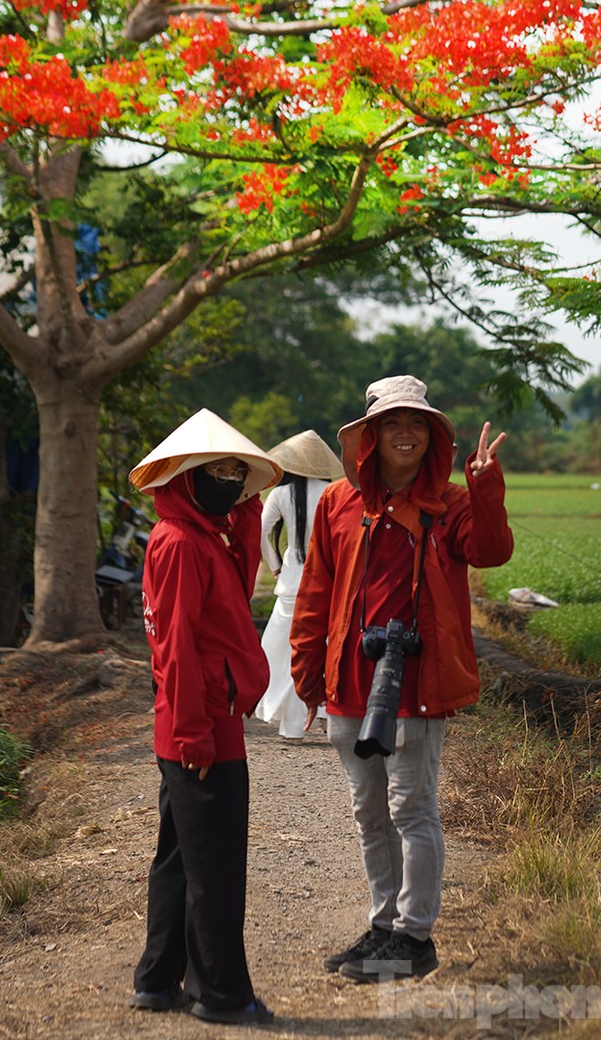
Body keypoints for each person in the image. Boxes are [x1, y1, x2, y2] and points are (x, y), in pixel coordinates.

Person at [290, 375, 511, 983]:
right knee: (370, 812)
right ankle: (383, 924)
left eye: (417, 423)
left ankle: (415, 937)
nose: (406, 433)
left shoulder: (453, 503)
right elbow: (316, 592)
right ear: (371, 436)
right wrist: (309, 672)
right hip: (350, 684)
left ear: (432, 435)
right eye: (393, 423)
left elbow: (492, 551)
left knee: (411, 808)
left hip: (416, 684)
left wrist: (486, 484)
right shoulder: (339, 502)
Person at [126, 409, 284, 1026]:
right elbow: (175, 647)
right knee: (215, 866)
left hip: (198, 721)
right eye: (214, 472)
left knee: (178, 856)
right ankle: (220, 993)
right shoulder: (181, 545)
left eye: (233, 473)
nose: (225, 481)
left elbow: (237, 588)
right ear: (185, 478)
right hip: (201, 727)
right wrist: (193, 730)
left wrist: (244, 512)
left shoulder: (202, 538)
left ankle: (157, 979)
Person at [254, 430, 345, 740]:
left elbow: (261, 533)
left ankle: (293, 726)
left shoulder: (280, 495)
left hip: (292, 582)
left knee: (287, 650)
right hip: (329, 582)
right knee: (327, 648)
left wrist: (276, 565)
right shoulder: (334, 493)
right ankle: (326, 717)